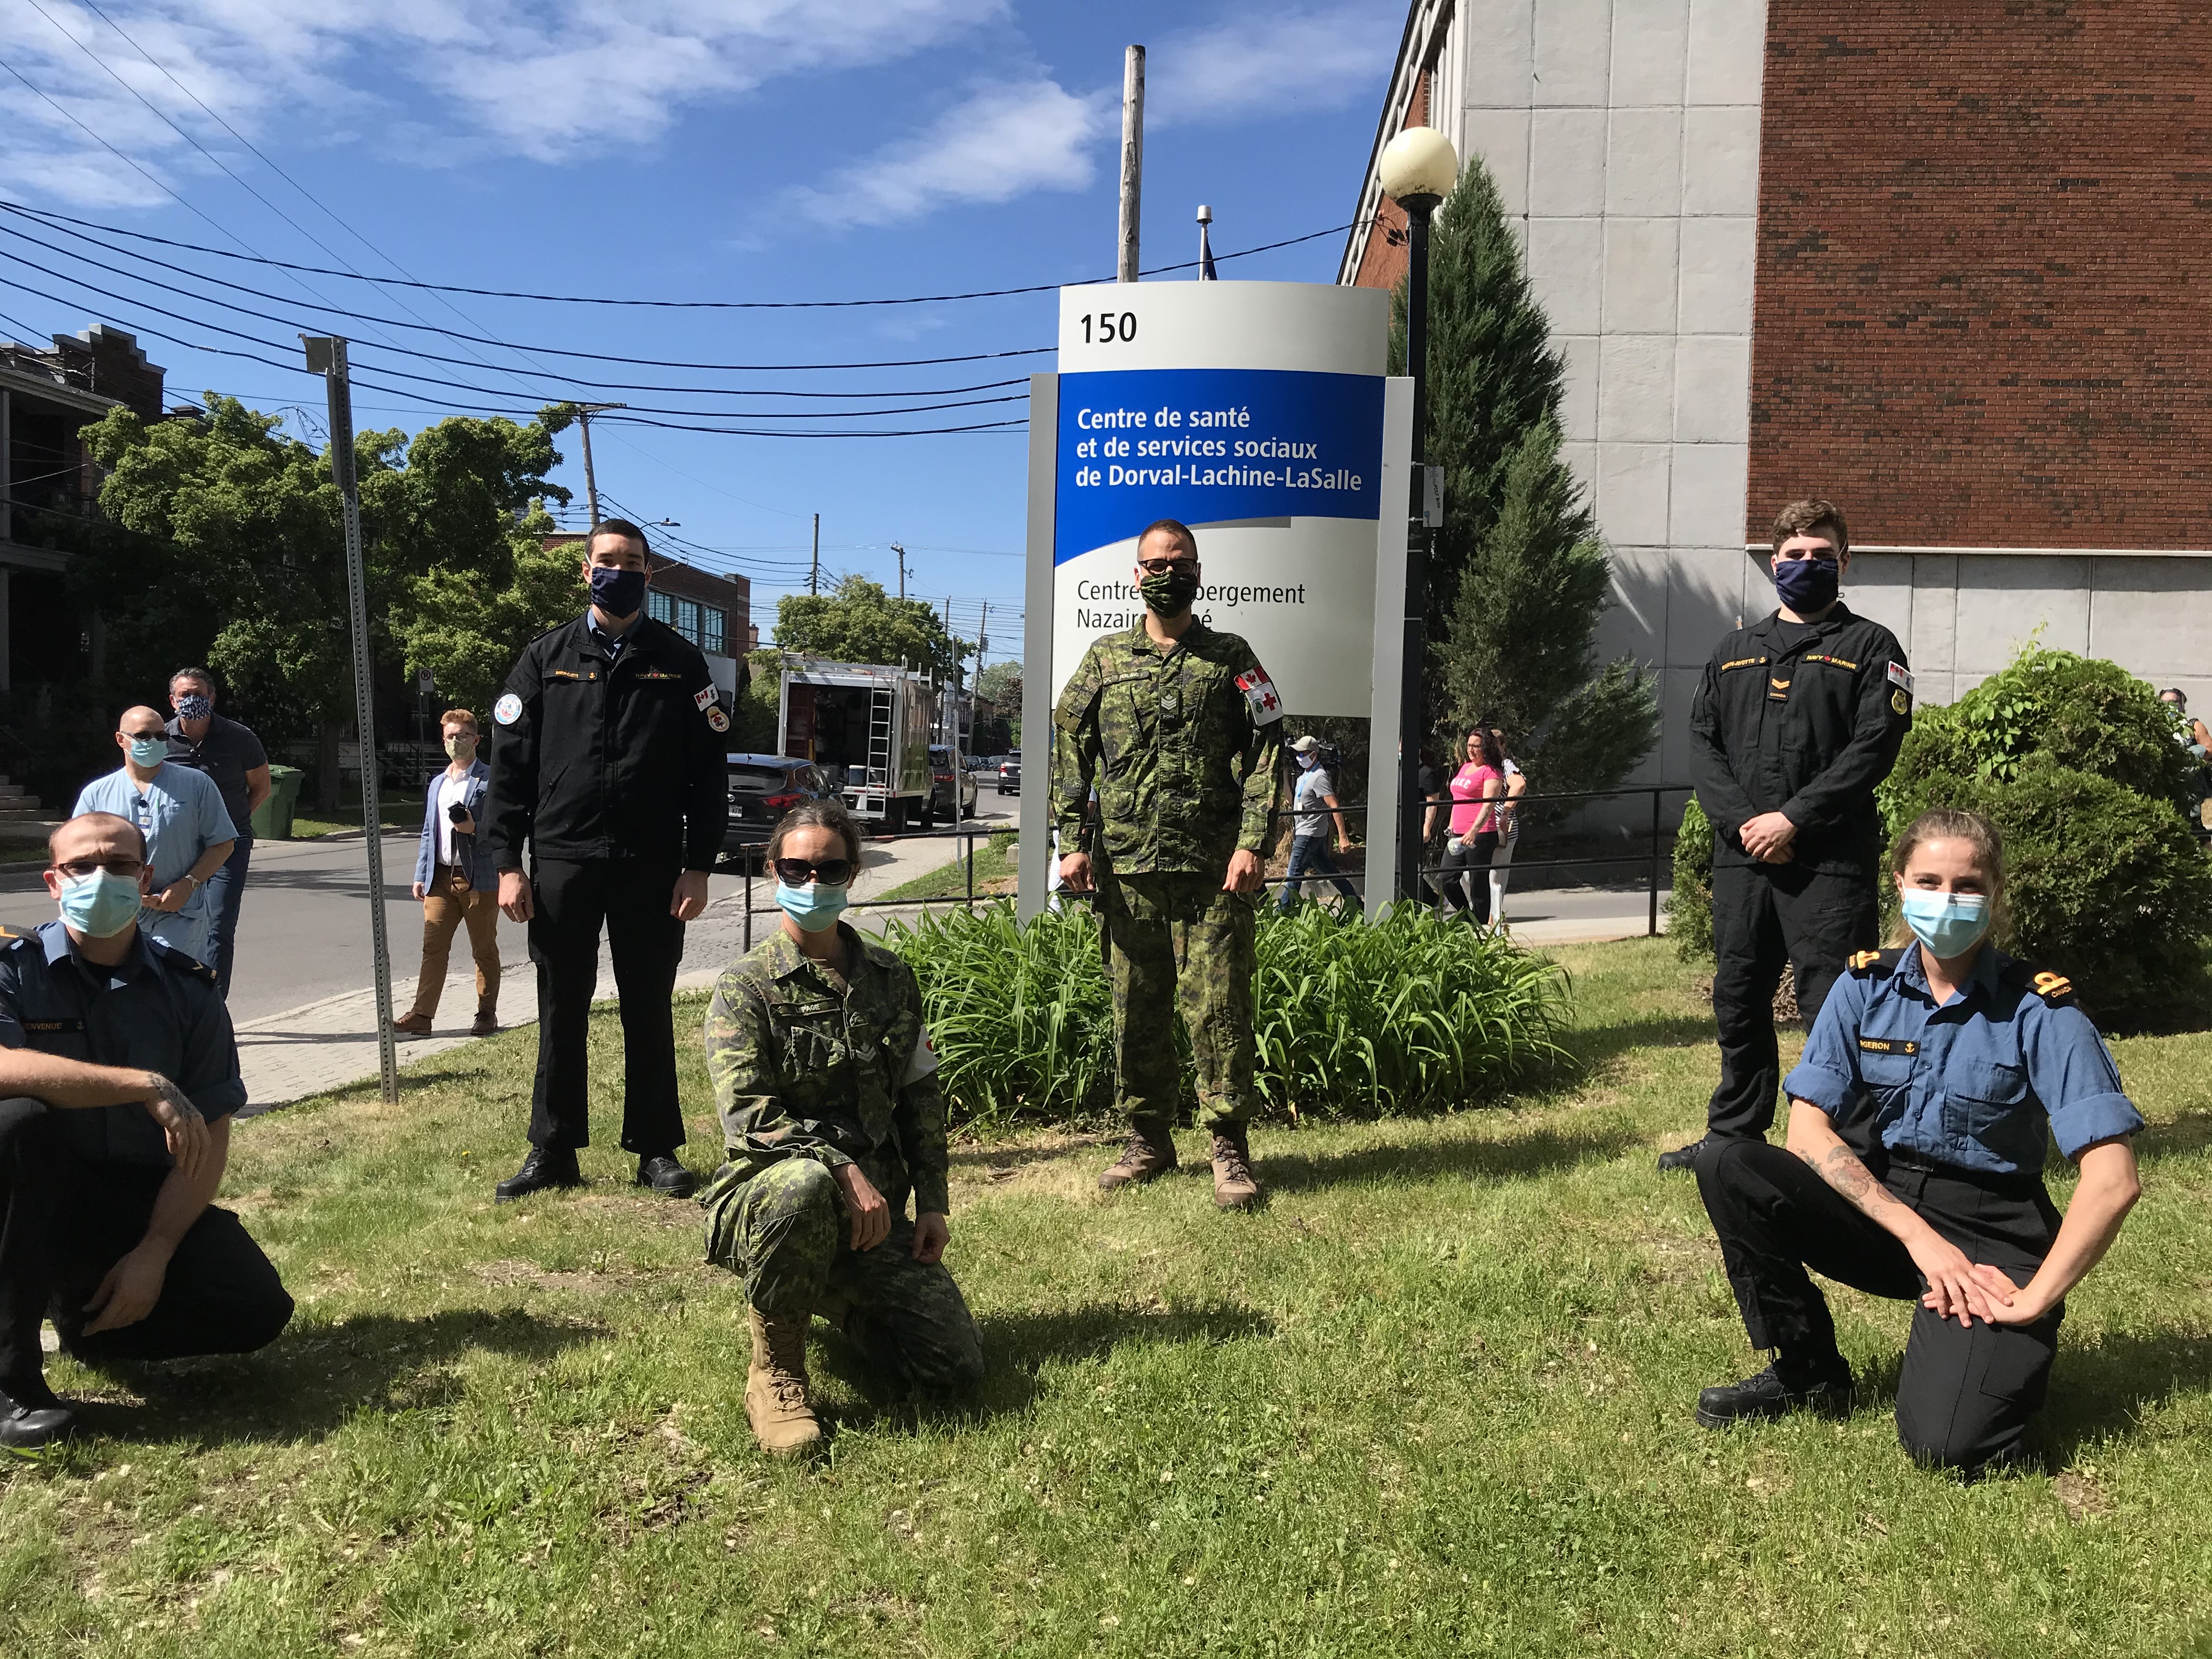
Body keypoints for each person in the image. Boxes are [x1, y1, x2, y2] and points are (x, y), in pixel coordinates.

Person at [1692, 809, 2142, 1476]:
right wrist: (1920, 1239)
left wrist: (2037, 1296)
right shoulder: (1865, 986)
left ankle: (1998, 1364)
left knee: (1951, 1447)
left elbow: (2114, 1179)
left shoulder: (2040, 1009)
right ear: (1900, 885)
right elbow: (1808, 1131)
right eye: (1930, 880)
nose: (1948, 899)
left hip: (1994, 1231)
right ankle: (1808, 1368)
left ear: (1995, 894)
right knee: (1729, 1161)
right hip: (1891, 1208)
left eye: (1968, 885)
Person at [697, 800, 982, 1456]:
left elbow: (920, 1097)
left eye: (829, 869)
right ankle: (777, 1367)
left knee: (955, 1370)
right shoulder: (745, 987)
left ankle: (836, 1297)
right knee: (801, 1184)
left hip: (871, 1219)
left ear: (852, 874)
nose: (812, 883)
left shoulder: (891, 980)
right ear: (772, 870)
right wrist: (842, 1167)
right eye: (795, 869)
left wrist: (934, 1203)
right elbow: (750, 1118)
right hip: (771, 1201)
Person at [0, 812, 293, 1448]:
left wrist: (156, 1251)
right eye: (82, 866)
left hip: (133, 1198)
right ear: (54, 880)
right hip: (29, 1197)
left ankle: (89, 1323)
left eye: (119, 865)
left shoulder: (189, 993)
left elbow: (211, 1132)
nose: (100, 877)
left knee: (255, 1306)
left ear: (146, 876)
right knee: (16, 1123)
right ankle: (11, 1383)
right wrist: (141, 1084)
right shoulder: (14, 970)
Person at [482, 518, 732, 1204]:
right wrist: (507, 862)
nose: (618, 571)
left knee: (647, 1005)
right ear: (584, 570)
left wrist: (698, 864)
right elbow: (509, 770)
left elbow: (708, 775)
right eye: (606, 560)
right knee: (561, 1005)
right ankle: (553, 1149)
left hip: (652, 865)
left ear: (649, 576)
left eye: (632, 562)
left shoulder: (681, 662)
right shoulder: (544, 659)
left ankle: (656, 1149)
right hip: (564, 860)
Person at [1662, 498, 1913, 1173]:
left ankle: (1845, 1145)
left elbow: (1873, 749)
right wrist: (1747, 826)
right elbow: (1703, 746)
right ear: (1774, 564)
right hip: (1744, 863)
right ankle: (1734, 1135)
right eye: (1795, 555)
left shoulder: (1872, 648)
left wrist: (1794, 819)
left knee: (1833, 1005)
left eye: (1821, 555)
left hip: (1826, 864)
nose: (1807, 565)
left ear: (1845, 562)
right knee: (1739, 999)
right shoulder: (1732, 653)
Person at [1053, 517, 1283, 1210]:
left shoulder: (1232, 654)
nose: (1166, 572)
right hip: (1127, 872)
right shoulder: (1103, 659)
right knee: (1137, 1009)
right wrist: (1071, 840)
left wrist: (1252, 842)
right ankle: (1148, 1138)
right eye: (1154, 562)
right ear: (1135, 575)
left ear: (1197, 571)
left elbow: (1270, 745)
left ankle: (1229, 1147)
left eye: (1178, 561)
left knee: (1218, 1009)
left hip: (1213, 870)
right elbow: (1069, 748)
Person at [71, 706, 237, 969]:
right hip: (116, 913)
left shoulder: (196, 784)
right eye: (143, 736)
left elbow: (223, 842)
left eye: (161, 737)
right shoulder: (97, 794)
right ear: (121, 740)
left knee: (173, 987)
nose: (154, 743)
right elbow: (75, 853)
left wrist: (188, 884)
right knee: (121, 990)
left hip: (179, 913)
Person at [162, 669, 270, 1000]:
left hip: (229, 846)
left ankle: (212, 1006)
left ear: (211, 698)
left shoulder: (240, 738)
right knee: (171, 919)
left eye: (198, 694)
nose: (191, 700)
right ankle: (173, 999)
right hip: (178, 846)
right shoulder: (158, 740)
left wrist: (228, 824)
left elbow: (261, 788)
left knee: (218, 927)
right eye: (184, 695)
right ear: (172, 700)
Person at [394, 709, 500, 1039]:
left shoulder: (490, 779)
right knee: (433, 948)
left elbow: (503, 828)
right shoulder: (438, 783)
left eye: (463, 736)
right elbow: (429, 831)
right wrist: (419, 874)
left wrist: (474, 828)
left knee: (483, 948)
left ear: (477, 740)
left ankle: (486, 1014)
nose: (456, 742)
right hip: (440, 877)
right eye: (451, 737)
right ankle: (423, 1016)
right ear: (444, 741)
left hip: (478, 878)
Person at [1277, 735, 1359, 914]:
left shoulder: (1319, 777)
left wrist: (1343, 837)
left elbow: (1334, 805)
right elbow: (1294, 803)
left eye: (1303, 753)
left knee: (1293, 874)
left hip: (1310, 834)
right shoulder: (1304, 777)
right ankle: (1355, 902)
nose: (1299, 756)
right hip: (1305, 832)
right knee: (1328, 870)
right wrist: (1283, 776)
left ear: (1313, 755)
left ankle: (1281, 913)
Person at [1436, 729, 1503, 923]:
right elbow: (1458, 800)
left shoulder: (1492, 772)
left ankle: (1480, 927)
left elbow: (1488, 805)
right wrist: (1451, 827)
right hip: (1457, 834)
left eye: (1476, 746)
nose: (1471, 750)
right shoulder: (1465, 768)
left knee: (1478, 883)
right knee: (1447, 878)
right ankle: (1467, 917)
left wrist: (1474, 831)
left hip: (1480, 835)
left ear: (1486, 748)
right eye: (1469, 746)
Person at [1486, 727, 1528, 932]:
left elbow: (1519, 784)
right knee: (1467, 876)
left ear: (1502, 747)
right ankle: (1490, 915)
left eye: (1496, 744)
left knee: (1496, 875)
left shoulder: (1504, 765)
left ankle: (1494, 919)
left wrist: (1505, 812)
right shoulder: (1483, 767)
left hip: (1502, 829)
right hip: (1483, 829)